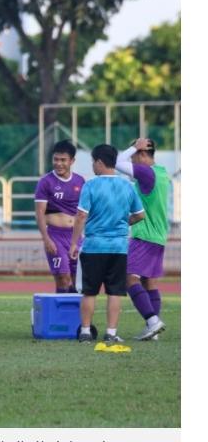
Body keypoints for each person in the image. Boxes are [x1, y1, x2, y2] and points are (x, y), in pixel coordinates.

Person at [69, 144, 149, 343]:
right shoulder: (127, 186)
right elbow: (140, 215)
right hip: (119, 247)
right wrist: (123, 223)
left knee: (89, 291)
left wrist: (73, 243)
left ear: (99, 162)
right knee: (115, 292)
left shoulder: (91, 185)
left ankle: (86, 331)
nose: (92, 166)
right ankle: (111, 333)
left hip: (94, 246)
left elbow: (80, 216)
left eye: (93, 162)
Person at [116, 138, 169, 340]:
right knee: (150, 283)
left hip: (144, 236)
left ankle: (152, 321)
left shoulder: (147, 172)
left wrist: (132, 147)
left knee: (129, 277)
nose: (133, 160)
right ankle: (153, 331)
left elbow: (118, 163)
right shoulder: (162, 173)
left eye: (135, 155)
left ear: (142, 154)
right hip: (158, 237)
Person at [34, 140, 85, 293]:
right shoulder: (45, 182)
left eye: (63, 160)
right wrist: (46, 238)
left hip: (75, 236)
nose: (58, 163)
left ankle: (78, 317)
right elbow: (39, 213)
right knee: (63, 278)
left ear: (72, 161)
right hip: (55, 236)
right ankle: (61, 316)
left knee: (77, 281)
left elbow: (83, 212)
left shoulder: (80, 181)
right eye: (56, 159)